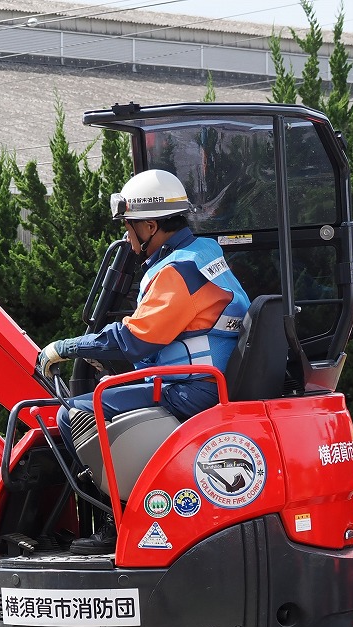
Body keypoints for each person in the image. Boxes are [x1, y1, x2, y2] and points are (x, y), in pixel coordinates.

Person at [36, 169, 251, 554]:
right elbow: (183, 331)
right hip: (198, 380)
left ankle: (116, 519)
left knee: (77, 414)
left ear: (151, 225)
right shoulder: (204, 254)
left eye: (130, 226)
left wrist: (66, 347)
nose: (127, 236)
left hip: (190, 389)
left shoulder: (176, 271)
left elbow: (133, 338)